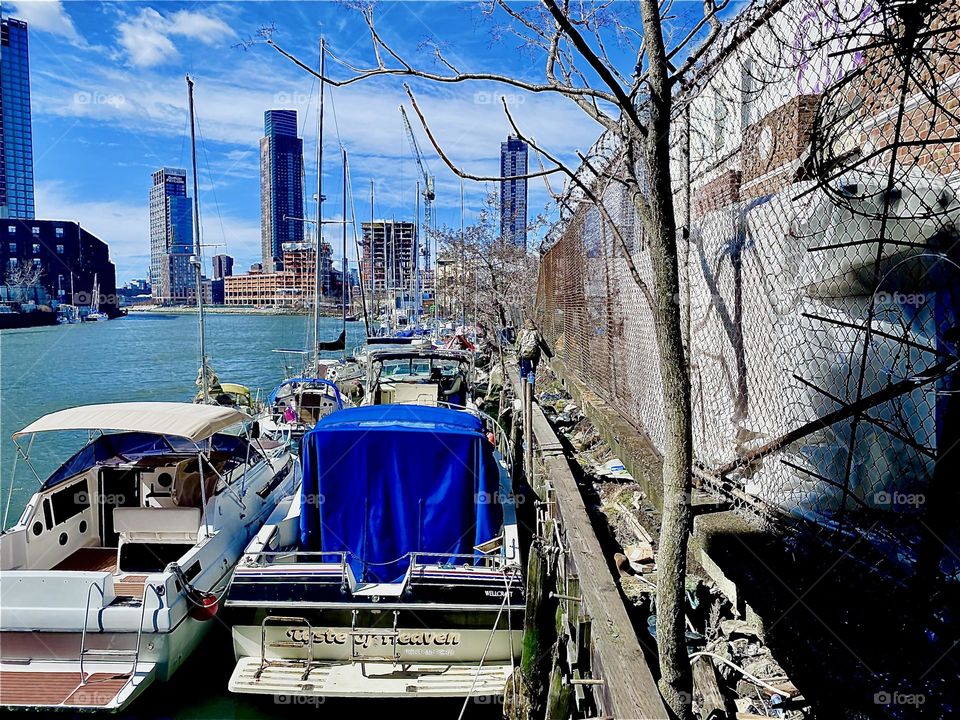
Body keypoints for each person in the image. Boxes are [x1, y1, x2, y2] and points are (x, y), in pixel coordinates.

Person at [516, 319, 545, 386]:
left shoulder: (522, 332)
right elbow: (541, 342)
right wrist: (549, 354)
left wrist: (517, 355)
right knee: (532, 370)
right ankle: (532, 386)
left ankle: (523, 385)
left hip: (524, 355)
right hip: (534, 355)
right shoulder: (536, 332)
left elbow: (517, 344)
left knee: (523, 370)